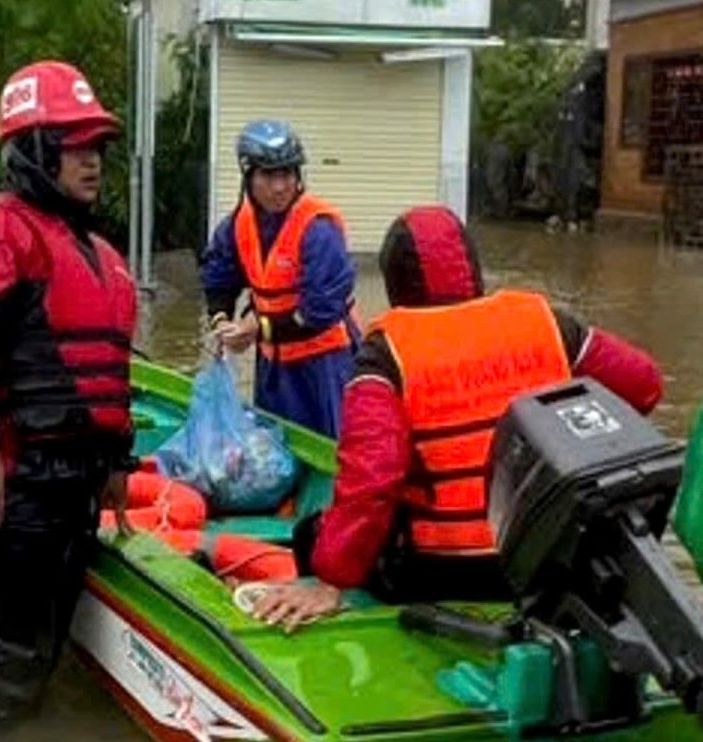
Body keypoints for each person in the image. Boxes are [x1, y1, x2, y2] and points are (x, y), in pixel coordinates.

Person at [252, 205, 665, 630]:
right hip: (546, 562)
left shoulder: (386, 352)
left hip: (442, 570)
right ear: (473, 269)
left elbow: (373, 475)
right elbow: (644, 385)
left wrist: (331, 579)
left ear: (394, 282)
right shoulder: (546, 323)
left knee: (310, 534)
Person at [0, 60, 138, 728]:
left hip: (70, 490)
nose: (92, 160)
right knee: (7, 660)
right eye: (74, 145)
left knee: (38, 652)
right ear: (34, 149)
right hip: (8, 490)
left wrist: (116, 462)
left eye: (98, 146)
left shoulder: (103, 256)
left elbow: (112, 377)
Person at [201, 119, 359, 439]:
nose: (279, 187)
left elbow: (320, 310)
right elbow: (218, 278)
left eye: (287, 174)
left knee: (331, 448)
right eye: (268, 175)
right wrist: (221, 321)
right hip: (274, 367)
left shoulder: (319, 228)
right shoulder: (237, 225)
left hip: (324, 365)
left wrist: (257, 328)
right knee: (277, 449)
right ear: (249, 176)